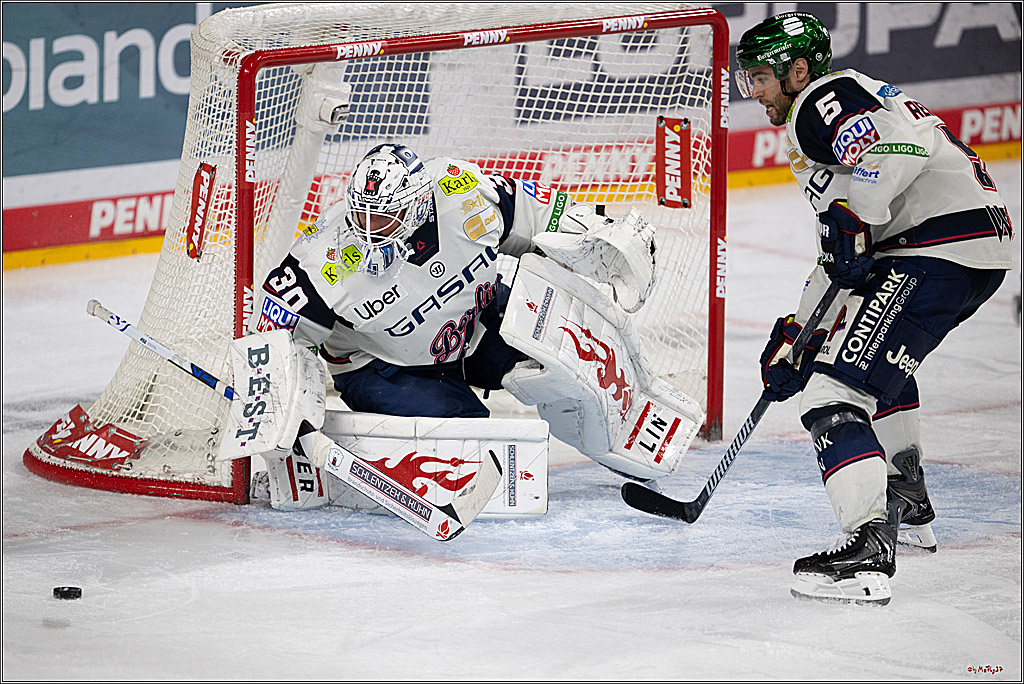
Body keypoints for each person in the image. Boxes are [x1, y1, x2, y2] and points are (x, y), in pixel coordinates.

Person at [246, 143, 699, 512]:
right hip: (385, 367)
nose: (369, 230)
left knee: (570, 363)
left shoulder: (462, 190)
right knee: (476, 449)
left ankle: (624, 447)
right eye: (362, 214)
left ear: (420, 204)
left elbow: (539, 216)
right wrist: (291, 421)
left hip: (476, 323)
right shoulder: (321, 262)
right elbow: (272, 342)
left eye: (384, 217)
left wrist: (599, 235)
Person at [735, 12, 1014, 604]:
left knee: (834, 396)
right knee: (874, 369)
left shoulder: (821, 99)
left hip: (937, 248)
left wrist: (857, 212)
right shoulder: (830, 109)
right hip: (962, 250)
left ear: (799, 69)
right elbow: (842, 251)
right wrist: (799, 332)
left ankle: (866, 550)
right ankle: (904, 499)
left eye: (760, 77)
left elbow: (900, 151)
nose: (753, 92)